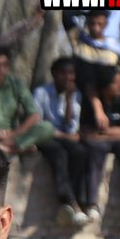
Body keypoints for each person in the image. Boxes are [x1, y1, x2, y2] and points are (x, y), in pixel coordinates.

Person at [81, 67, 120, 227]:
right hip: (100, 142)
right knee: (93, 151)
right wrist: (118, 133)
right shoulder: (89, 103)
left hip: (115, 140)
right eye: (115, 83)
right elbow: (85, 132)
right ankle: (92, 205)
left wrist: (100, 133)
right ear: (104, 85)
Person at [0, 46, 55, 155]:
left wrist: (12, 133)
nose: (1, 69)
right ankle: (14, 150)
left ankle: (3, 146)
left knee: (47, 127)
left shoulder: (17, 85)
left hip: (14, 135)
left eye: (4, 65)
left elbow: (34, 116)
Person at [34, 57, 90, 226]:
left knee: (79, 152)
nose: (67, 77)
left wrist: (68, 100)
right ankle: (68, 201)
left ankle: (79, 200)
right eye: (63, 73)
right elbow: (37, 125)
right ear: (54, 74)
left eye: (71, 73)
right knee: (57, 152)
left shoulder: (75, 95)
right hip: (45, 137)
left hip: (64, 137)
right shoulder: (41, 93)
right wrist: (64, 136)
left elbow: (72, 128)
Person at [67, 10, 120, 131]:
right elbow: (66, 15)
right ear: (87, 23)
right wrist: (85, 11)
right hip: (81, 97)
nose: (95, 28)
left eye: (100, 24)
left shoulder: (119, 47)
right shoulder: (79, 40)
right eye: (92, 23)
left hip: (108, 98)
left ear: (106, 23)